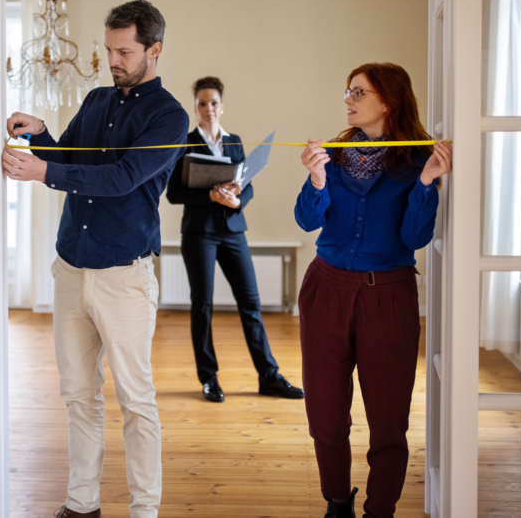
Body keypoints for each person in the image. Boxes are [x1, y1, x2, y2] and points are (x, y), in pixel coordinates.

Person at [2, 0, 188, 518]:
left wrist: (41, 172)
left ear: (154, 49)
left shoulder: (169, 116)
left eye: (124, 51)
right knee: (78, 395)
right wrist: (40, 135)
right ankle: (81, 504)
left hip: (124, 277)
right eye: (108, 49)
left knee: (135, 399)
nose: (113, 60)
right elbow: (69, 160)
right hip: (71, 269)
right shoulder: (97, 100)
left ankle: (144, 510)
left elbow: (121, 179)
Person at [294, 63, 453, 518]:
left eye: (358, 92)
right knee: (325, 414)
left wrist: (426, 185)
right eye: (348, 90)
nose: (348, 99)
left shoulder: (419, 161)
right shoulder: (332, 155)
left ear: (388, 101)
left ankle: (380, 508)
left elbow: (415, 238)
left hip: (389, 297)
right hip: (326, 290)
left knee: (388, 420)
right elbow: (307, 221)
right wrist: (317, 181)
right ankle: (337, 501)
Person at [165, 77, 304, 403]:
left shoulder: (235, 141)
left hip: (233, 231)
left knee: (251, 304)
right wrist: (211, 195)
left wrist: (238, 199)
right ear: (195, 107)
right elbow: (174, 194)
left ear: (221, 106)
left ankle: (269, 376)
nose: (208, 108)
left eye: (213, 102)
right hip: (199, 233)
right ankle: (209, 379)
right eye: (202, 103)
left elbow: (248, 184)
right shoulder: (184, 143)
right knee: (203, 306)